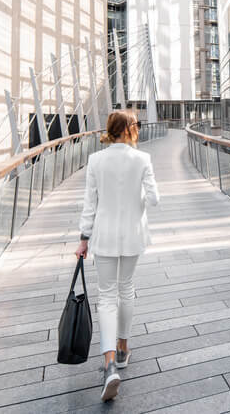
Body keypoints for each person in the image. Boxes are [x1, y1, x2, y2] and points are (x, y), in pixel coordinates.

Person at [75, 110, 159, 402]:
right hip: (133, 235)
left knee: (107, 295)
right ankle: (124, 348)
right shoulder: (142, 159)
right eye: (135, 124)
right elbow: (155, 199)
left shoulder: (96, 161)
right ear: (127, 129)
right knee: (127, 289)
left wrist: (84, 238)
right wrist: (137, 202)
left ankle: (110, 362)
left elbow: (90, 204)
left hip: (104, 235)